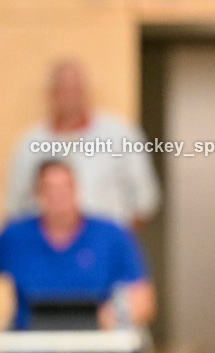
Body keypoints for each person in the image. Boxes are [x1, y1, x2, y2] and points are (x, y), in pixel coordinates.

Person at [0, 160, 159, 353]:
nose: (59, 197)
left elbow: (144, 301)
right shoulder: (14, 237)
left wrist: (113, 314)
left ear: (77, 190)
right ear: (38, 193)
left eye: (65, 188)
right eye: (50, 189)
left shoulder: (111, 234)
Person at [5, 60, 161, 233]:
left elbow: (145, 200)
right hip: (45, 246)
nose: (70, 98)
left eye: (75, 90)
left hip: (105, 244)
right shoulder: (29, 143)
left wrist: (116, 239)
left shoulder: (121, 135)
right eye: (63, 90)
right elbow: (15, 208)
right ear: (50, 94)